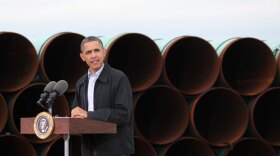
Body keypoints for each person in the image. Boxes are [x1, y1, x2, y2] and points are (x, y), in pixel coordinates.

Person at [71, 36, 134, 156]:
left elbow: (123, 115)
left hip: (115, 150)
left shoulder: (119, 78)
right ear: (82, 57)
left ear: (104, 52)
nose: (93, 55)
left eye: (97, 50)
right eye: (88, 52)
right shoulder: (81, 83)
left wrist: (88, 115)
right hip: (89, 150)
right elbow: (78, 114)